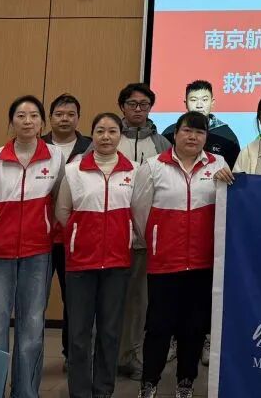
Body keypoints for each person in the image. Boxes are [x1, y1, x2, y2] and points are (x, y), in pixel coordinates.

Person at [132, 112, 234, 398]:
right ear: (175, 134)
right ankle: (149, 383)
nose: (193, 137)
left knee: (194, 327)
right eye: (188, 131)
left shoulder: (219, 164)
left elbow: (227, 208)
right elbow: (139, 212)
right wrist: (156, 241)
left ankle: (185, 383)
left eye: (200, 132)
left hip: (203, 262)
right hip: (165, 262)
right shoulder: (153, 166)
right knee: (158, 326)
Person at [0, 96, 65, 398]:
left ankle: (25, 393)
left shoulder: (55, 157)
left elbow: (61, 201)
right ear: (11, 121)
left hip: (38, 252)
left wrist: (45, 226)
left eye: (34, 115)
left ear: (42, 122)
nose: (27, 121)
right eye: (21, 115)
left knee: (31, 329)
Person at [55, 113, 135, 398]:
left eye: (112, 131)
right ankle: (80, 392)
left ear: (120, 136)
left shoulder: (133, 171)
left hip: (117, 262)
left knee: (109, 332)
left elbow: (138, 212)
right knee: (79, 334)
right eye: (100, 131)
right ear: (92, 135)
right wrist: (81, 235)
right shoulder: (74, 170)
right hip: (81, 262)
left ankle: (103, 390)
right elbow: (62, 211)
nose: (106, 137)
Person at [116, 82, 171, 380]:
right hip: (110, 236)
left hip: (145, 238)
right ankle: (105, 357)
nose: (138, 109)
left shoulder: (161, 144)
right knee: (108, 300)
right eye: (132, 104)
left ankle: (131, 356)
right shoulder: (108, 136)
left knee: (139, 302)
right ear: (122, 106)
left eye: (144, 105)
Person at [43, 93, 92, 370]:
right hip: (39, 236)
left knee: (73, 300)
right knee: (34, 299)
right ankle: (31, 354)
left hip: (74, 237)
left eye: (70, 114)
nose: (65, 119)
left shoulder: (90, 147)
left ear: (78, 118)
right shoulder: (37, 145)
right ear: (50, 117)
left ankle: (71, 354)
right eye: (59, 114)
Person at [163, 79, 241, 169]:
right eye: (193, 100)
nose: (199, 105)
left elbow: (234, 172)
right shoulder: (170, 133)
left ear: (212, 102)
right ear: (186, 103)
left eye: (204, 100)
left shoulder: (227, 136)